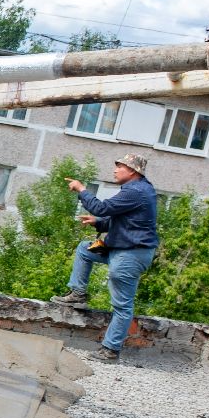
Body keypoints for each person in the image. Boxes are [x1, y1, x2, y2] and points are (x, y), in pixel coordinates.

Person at [50, 153, 158, 362]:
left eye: (120, 167)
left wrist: (81, 189)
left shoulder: (136, 191)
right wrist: (98, 222)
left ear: (133, 171)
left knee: (122, 306)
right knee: (85, 249)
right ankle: (77, 294)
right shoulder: (137, 190)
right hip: (118, 249)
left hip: (130, 255)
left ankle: (110, 350)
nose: (115, 170)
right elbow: (124, 223)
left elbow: (101, 207)